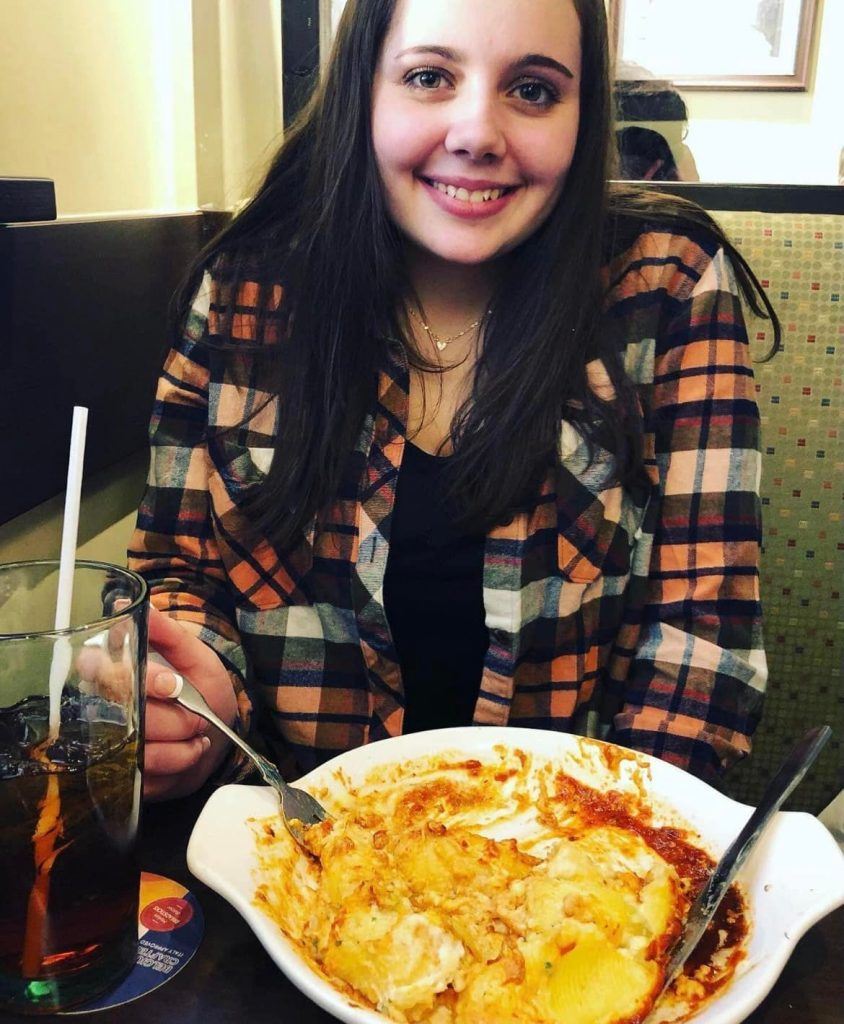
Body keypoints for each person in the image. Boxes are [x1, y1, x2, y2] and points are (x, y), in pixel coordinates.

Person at [128, 0, 778, 802]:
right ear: (363, 93)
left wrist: (610, 856)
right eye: (430, 77)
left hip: (576, 859)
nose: (476, 133)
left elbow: (701, 634)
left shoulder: (666, 285)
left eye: (534, 90)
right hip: (296, 850)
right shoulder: (243, 293)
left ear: (584, 116)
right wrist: (192, 701)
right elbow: (178, 574)